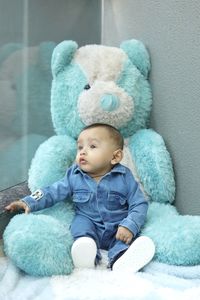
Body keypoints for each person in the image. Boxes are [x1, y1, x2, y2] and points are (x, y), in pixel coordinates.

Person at [5, 123, 155, 272]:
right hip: (88, 223)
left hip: (117, 225)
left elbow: (139, 204)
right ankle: (85, 253)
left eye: (92, 147)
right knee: (80, 227)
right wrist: (29, 201)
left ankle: (121, 259)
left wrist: (129, 225)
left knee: (124, 240)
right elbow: (52, 191)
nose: (83, 152)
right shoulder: (74, 176)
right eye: (80, 147)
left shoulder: (124, 177)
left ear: (115, 157)